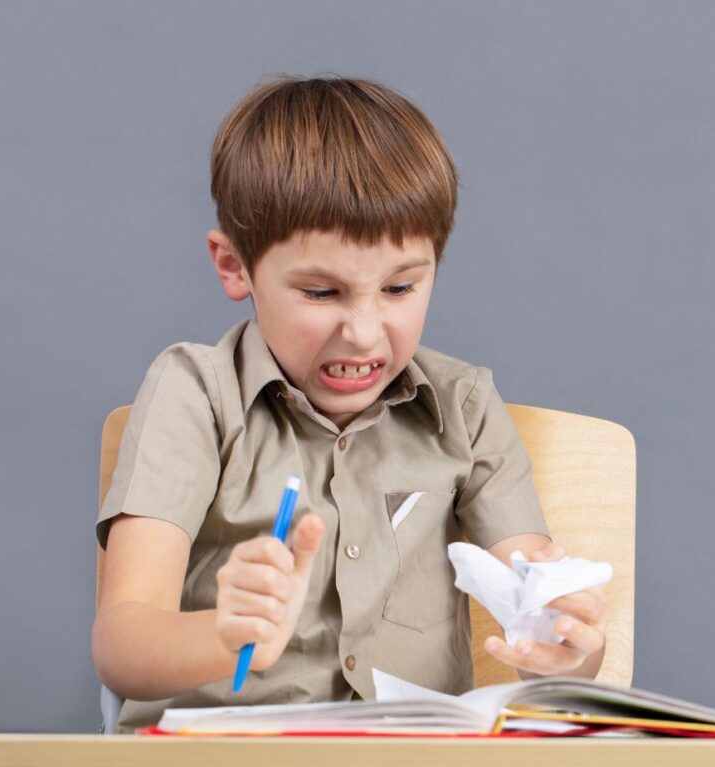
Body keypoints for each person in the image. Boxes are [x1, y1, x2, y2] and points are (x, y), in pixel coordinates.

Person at [92, 75, 608, 733]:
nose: (363, 333)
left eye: (399, 288)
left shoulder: (466, 405)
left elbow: (541, 600)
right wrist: (222, 633)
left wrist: (565, 647)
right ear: (234, 266)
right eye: (321, 293)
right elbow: (123, 644)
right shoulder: (196, 393)